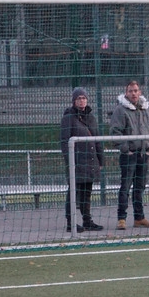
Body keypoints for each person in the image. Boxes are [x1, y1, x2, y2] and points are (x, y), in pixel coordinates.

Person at [110, 80, 149, 230]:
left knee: (140, 187)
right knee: (125, 186)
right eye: (130, 91)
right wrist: (126, 149)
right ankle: (121, 218)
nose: (133, 93)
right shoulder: (120, 110)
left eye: (136, 90)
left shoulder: (145, 109)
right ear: (126, 93)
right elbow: (115, 132)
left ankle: (139, 217)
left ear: (140, 92)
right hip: (129, 155)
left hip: (143, 153)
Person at [60, 87, 104, 232]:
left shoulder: (91, 118)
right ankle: (70, 222)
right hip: (77, 162)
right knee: (74, 192)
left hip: (90, 161)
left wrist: (100, 160)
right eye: (79, 98)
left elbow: (97, 140)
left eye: (84, 98)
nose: (82, 101)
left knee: (87, 192)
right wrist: (69, 161)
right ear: (74, 101)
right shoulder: (68, 118)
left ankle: (87, 220)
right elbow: (65, 141)